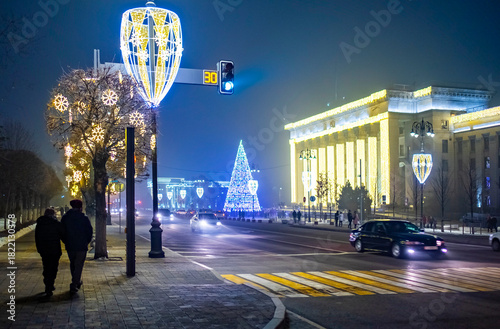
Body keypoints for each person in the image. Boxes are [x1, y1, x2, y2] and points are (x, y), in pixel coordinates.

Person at [61, 199, 93, 294]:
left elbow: (62, 231)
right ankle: (74, 283)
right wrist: (86, 241)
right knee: (78, 265)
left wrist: (66, 241)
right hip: (81, 246)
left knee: (73, 263)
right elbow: (89, 232)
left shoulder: (65, 218)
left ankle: (76, 281)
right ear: (80, 207)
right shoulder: (84, 218)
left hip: (70, 245)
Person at [35, 208, 64, 297]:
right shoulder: (56, 223)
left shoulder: (40, 224)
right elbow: (62, 234)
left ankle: (48, 283)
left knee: (46, 266)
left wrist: (39, 248)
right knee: (53, 268)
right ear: (53, 214)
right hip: (55, 250)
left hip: (44, 250)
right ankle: (50, 284)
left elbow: (37, 237)